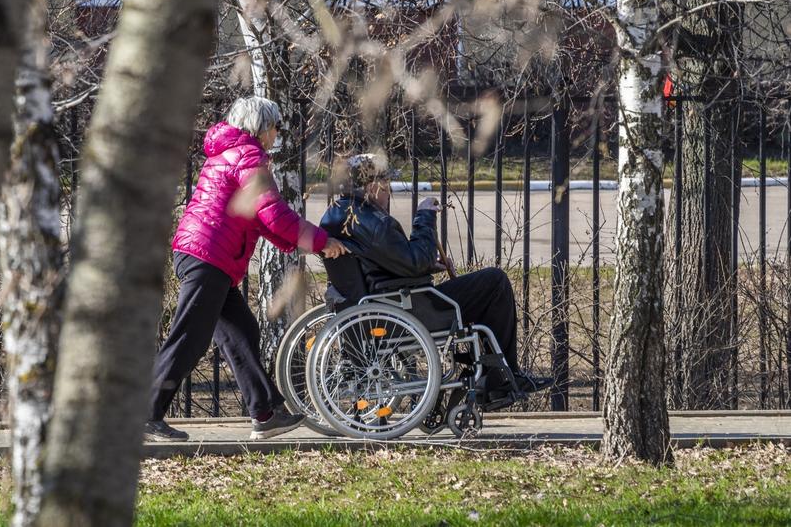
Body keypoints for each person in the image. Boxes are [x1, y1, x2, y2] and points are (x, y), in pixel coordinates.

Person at [146, 97, 348, 442]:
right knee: (189, 337)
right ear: (261, 127)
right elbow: (274, 214)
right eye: (276, 126)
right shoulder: (248, 157)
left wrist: (305, 243)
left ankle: (266, 412)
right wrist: (320, 240)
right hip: (208, 257)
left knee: (241, 333)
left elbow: (260, 219)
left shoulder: (231, 154)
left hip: (210, 258)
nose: (277, 134)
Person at [319, 153, 551, 407]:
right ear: (373, 187)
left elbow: (384, 263)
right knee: (495, 283)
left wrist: (429, 264)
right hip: (408, 309)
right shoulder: (373, 221)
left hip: (381, 306)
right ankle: (499, 380)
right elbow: (414, 261)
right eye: (387, 185)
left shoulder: (338, 215)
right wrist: (425, 217)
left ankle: (494, 378)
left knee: (483, 289)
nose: (389, 193)